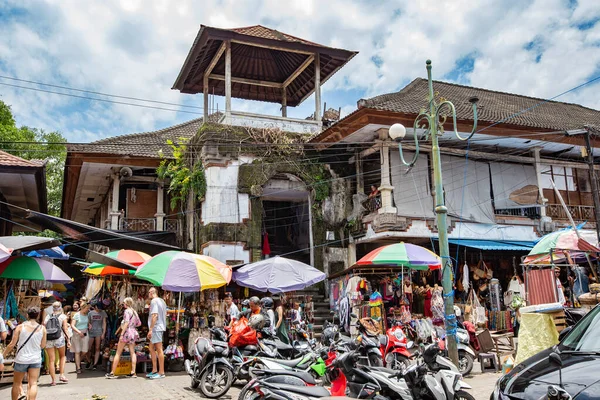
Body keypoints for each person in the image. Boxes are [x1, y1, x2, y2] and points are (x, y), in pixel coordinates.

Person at [3, 306, 46, 400]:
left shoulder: (20, 327)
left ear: (27, 315)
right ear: (38, 315)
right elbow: (43, 346)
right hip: (35, 359)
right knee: (33, 383)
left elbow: (11, 344)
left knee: (16, 383)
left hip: (21, 359)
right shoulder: (42, 328)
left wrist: (3, 355)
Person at [105, 298, 140, 379]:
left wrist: (122, 334)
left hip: (127, 332)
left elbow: (126, 322)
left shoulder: (127, 311)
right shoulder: (134, 312)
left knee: (118, 352)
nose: (123, 304)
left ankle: (112, 372)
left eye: (124, 303)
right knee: (132, 352)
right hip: (133, 332)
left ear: (127, 303)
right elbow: (139, 323)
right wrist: (132, 326)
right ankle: (133, 372)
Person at [44, 301, 69, 385]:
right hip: (59, 338)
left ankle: (53, 380)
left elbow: (43, 327)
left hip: (49, 338)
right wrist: (68, 340)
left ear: (52, 308)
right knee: (62, 356)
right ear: (60, 307)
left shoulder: (48, 316)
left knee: (51, 360)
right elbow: (65, 329)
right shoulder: (63, 316)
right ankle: (61, 375)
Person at [147, 287, 167, 380]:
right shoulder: (162, 301)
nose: (148, 294)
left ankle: (161, 372)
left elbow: (155, 315)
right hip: (158, 327)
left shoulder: (154, 301)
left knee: (159, 349)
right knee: (151, 348)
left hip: (156, 328)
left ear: (152, 293)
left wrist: (151, 329)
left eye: (149, 292)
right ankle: (155, 369)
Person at [87, 300, 107, 370]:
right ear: (95, 306)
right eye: (98, 308)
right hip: (91, 332)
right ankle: (89, 361)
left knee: (97, 348)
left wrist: (103, 333)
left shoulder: (103, 313)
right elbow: (88, 322)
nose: (99, 309)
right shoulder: (90, 313)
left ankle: (95, 364)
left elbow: (104, 323)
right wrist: (88, 325)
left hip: (99, 332)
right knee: (88, 348)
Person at [70, 302, 90, 374]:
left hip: (85, 333)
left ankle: (78, 361)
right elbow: (72, 325)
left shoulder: (86, 315)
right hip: (77, 334)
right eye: (87, 308)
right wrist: (79, 332)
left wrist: (89, 325)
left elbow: (86, 323)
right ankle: (78, 367)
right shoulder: (76, 315)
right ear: (83, 308)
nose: (88, 309)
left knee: (85, 350)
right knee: (77, 351)